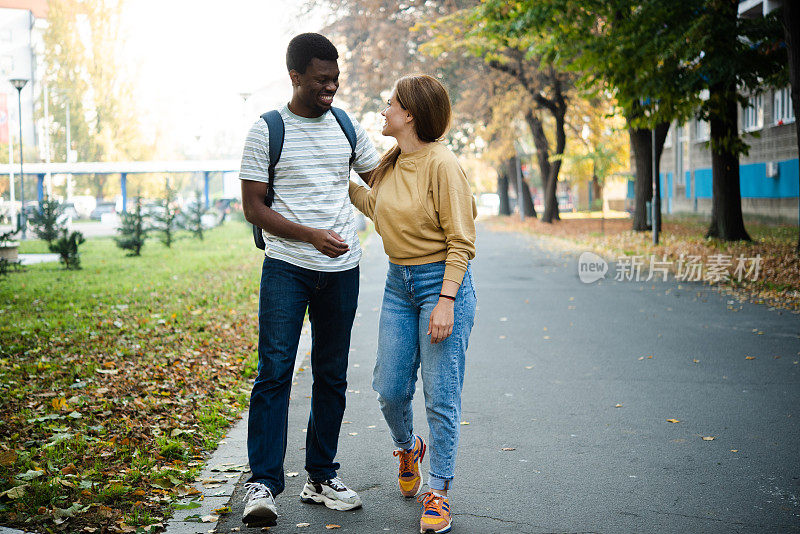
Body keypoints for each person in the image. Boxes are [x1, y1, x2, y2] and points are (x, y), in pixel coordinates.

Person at [239, 32, 380, 526]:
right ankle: (263, 483)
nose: (331, 88)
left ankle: (320, 476)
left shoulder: (345, 124)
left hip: (342, 270)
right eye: (321, 80)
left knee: (332, 374)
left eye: (335, 79)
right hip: (287, 268)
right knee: (275, 371)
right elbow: (252, 206)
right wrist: (309, 236)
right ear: (295, 76)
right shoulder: (267, 129)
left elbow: (380, 175)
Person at [349, 74, 477, 534]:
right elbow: (375, 206)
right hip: (397, 285)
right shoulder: (391, 163)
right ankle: (408, 447)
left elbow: (462, 240)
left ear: (410, 115)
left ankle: (439, 492)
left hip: (440, 283)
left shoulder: (442, 164)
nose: (384, 110)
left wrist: (446, 300)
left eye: (391, 103)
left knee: (441, 396)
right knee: (390, 386)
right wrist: (337, 176)